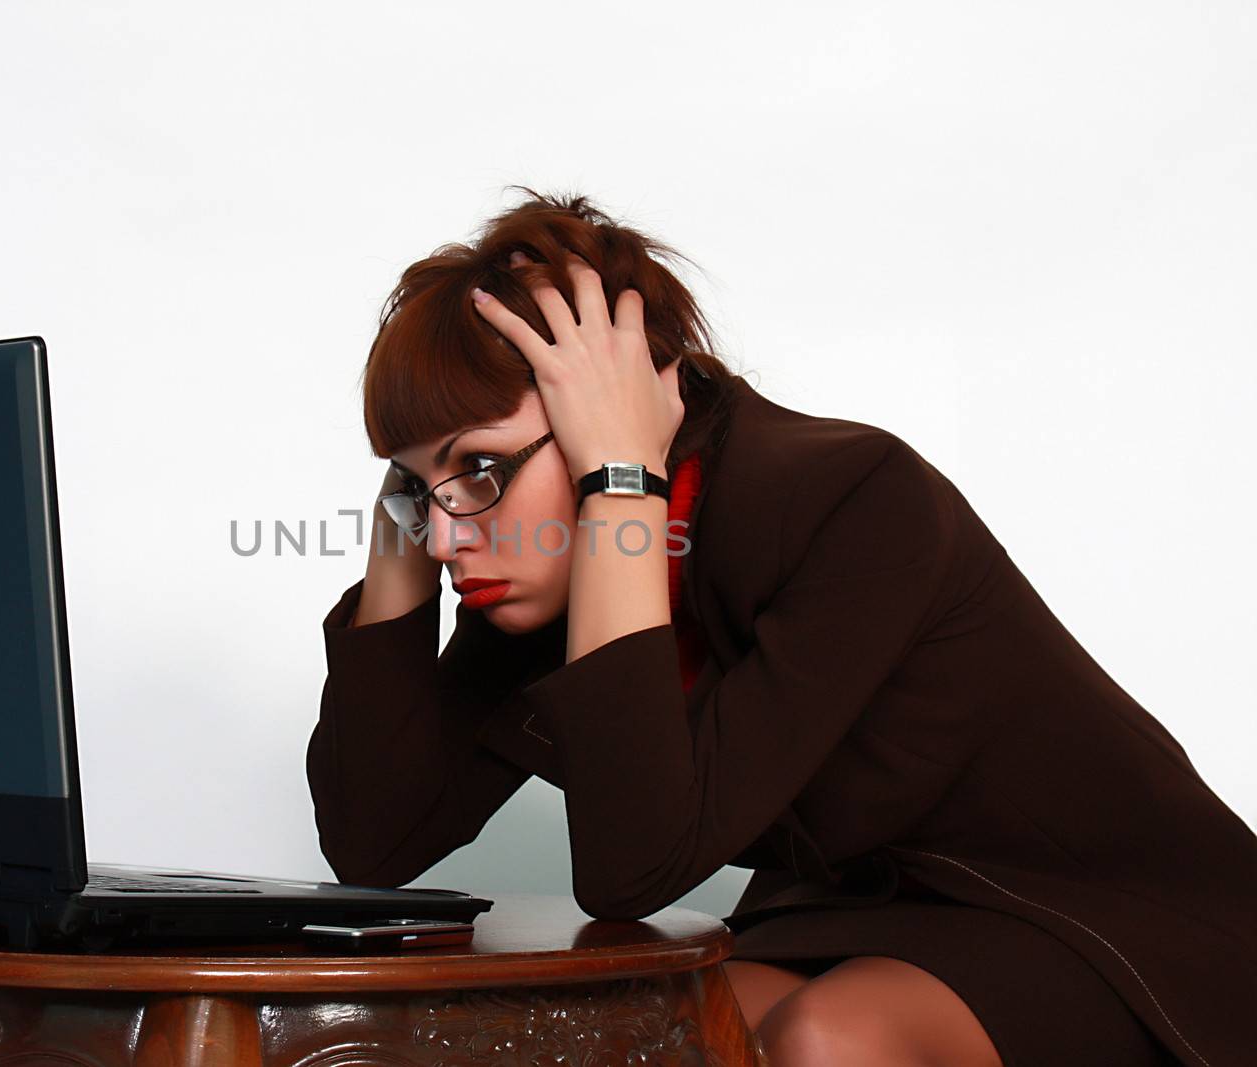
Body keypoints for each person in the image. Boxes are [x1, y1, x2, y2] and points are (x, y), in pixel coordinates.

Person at [305, 188, 1257, 1067]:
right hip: (857, 913)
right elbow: (375, 840)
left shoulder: (852, 498)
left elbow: (630, 867)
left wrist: (619, 489)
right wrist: (403, 527)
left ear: (616, 413)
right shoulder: (526, 566)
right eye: (418, 485)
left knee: (831, 1034)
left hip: (1099, 916)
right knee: (647, 1033)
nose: (447, 534)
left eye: (477, 465)